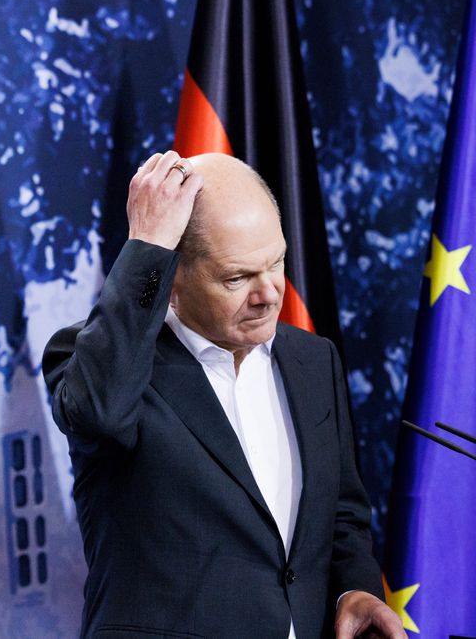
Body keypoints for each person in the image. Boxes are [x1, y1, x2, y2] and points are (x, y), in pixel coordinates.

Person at [42, 151, 405, 638]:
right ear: (172, 281)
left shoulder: (314, 361)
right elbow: (100, 414)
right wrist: (147, 247)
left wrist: (353, 590)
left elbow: (341, 518)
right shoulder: (103, 363)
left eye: (276, 263)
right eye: (237, 278)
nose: (269, 293)